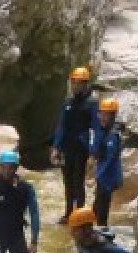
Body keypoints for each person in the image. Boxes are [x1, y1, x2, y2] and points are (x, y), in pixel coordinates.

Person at [51, 66, 100, 224]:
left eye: (79, 83)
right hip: (67, 148)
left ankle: (79, 214)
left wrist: (93, 153)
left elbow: (96, 129)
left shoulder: (92, 103)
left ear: (85, 84)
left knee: (78, 182)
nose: (75, 86)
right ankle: (68, 213)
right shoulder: (68, 103)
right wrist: (56, 147)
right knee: (68, 182)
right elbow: (61, 126)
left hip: (82, 148)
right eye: (73, 82)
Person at [90, 97, 124, 228]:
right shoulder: (102, 130)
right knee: (96, 207)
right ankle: (92, 229)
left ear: (113, 116)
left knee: (102, 211)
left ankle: (102, 232)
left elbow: (109, 160)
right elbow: (95, 148)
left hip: (108, 177)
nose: (103, 118)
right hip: (102, 175)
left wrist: (97, 176)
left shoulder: (113, 135)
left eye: (107, 115)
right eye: (102, 114)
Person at [68, 207, 138, 253]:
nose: (72, 232)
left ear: (87, 229)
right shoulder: (79, 240)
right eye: (73, 229)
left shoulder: (104, 246)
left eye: (75, 229)